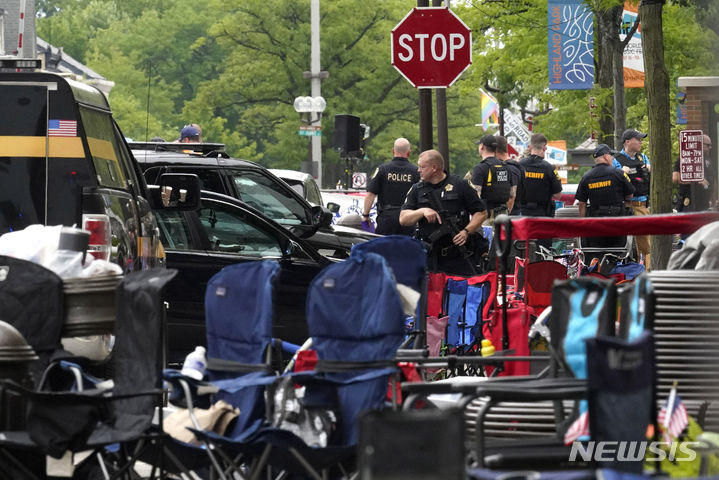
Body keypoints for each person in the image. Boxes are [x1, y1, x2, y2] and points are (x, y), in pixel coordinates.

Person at [400, 150, 488, 275]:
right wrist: (422, 211)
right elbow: (403, 219)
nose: (418, 170)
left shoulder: (461, 186)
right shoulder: (417, 190)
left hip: (458, 255)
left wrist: (466, 232)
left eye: (422, 167)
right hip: (429, 256)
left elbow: (482, 213)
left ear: (434, 167)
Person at [576, 144, 635, 249]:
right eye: (611, 155)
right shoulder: (619, 174)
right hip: (617, 222)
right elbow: (630, 194)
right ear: (605, 156)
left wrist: (583, 223)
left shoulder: (586, 177)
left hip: (596, 223)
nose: (613, 158)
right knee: (618, 253)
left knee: (597, 253)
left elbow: (581, 203)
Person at [363, 138, 420, 235]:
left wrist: (366, 215)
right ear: (409, 152)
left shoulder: (382, 169)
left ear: (393, 150)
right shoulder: (416, 171)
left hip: (386, 218)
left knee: (384, 248)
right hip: (408, 218)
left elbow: (371, 194)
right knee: (406, 248)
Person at [614, 128, 651, 268]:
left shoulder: (643, 158)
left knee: (647, 246)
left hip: (642, 206)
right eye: (638, 139)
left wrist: (649, 168)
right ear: (628, 142)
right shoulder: (617, 160)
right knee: (627, 246)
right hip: (626, 206)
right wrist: (619, 172)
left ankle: (648, 274)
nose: (641, 142)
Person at [518, 133, 563, 217]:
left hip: (521, 213)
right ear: (544, 148)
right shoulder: (549, 169)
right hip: (542, 213)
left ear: (530, 147)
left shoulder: (519, 165)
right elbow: (558, 195)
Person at [471, 135, 513, 223]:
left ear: (482, 146)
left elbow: (475, 196)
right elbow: (512, 194)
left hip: (486, 217)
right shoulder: (505, 167)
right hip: (503, 217)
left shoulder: (480, 167)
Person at [673, 134, 716, 212]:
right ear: (699, 144)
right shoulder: (685, 158)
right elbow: (676, 178)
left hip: (704, 204)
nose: (710, 148)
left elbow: (713, 182)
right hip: (689, 203)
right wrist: (696, 181)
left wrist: (713, 202)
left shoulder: (709, 161)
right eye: (708, 145)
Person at [495, 135, 523, 216]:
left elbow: (511, 197)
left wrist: (504, 216)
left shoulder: (510, 168)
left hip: (511, 215)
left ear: (495, 150)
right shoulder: (511, 166)